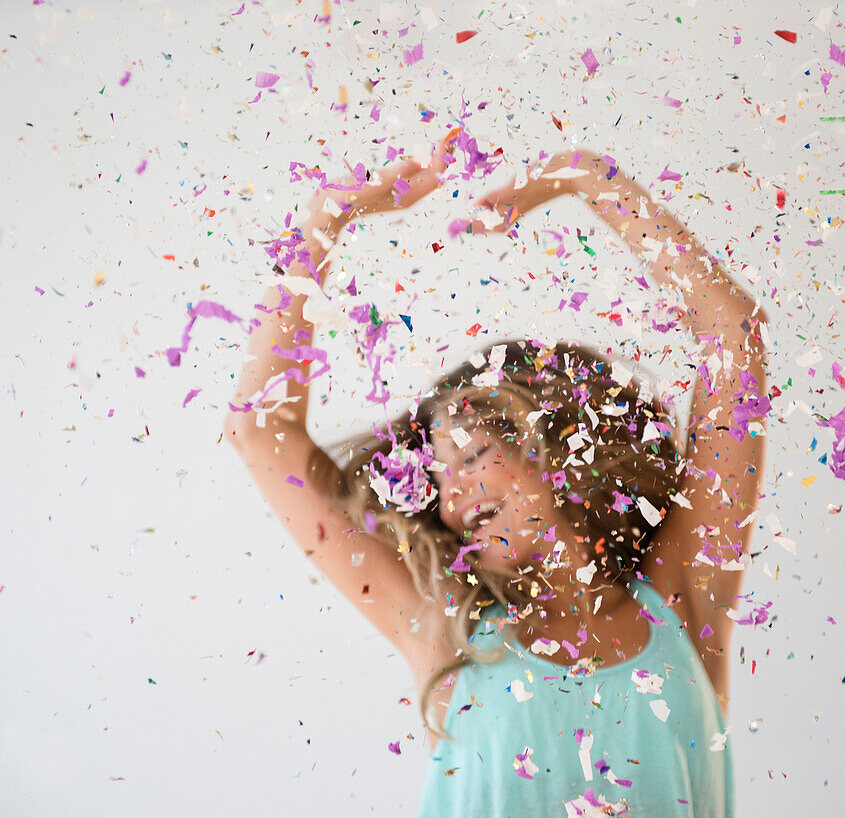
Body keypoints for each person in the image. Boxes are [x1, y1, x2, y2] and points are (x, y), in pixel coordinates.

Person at [223, 131, 770, 817]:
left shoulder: (681, 600)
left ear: (562, 445)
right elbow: (260, 429)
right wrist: (323, 219)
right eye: (441, 475)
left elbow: (734, 337)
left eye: (475, 457)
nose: (452, 496)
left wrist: (588, 174)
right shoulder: (448, 632)